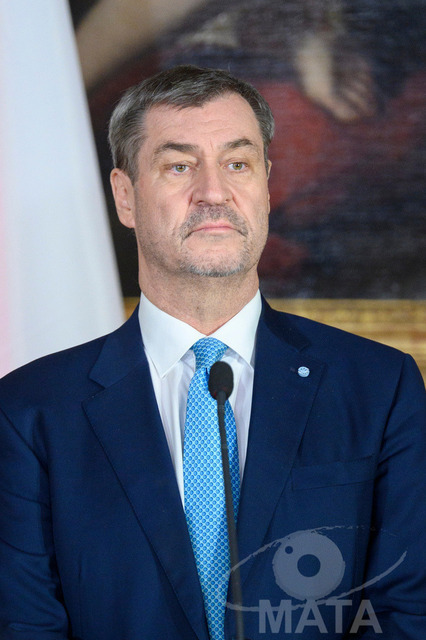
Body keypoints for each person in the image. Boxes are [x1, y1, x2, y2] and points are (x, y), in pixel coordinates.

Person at [0, 65, 425, 640]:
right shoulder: (29, 410)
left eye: (237, 164)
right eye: (179, 166)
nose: (214, 192)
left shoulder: (381, 387)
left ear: (266, 184)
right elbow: (24, 625)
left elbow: (410, 612)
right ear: (125, 197)